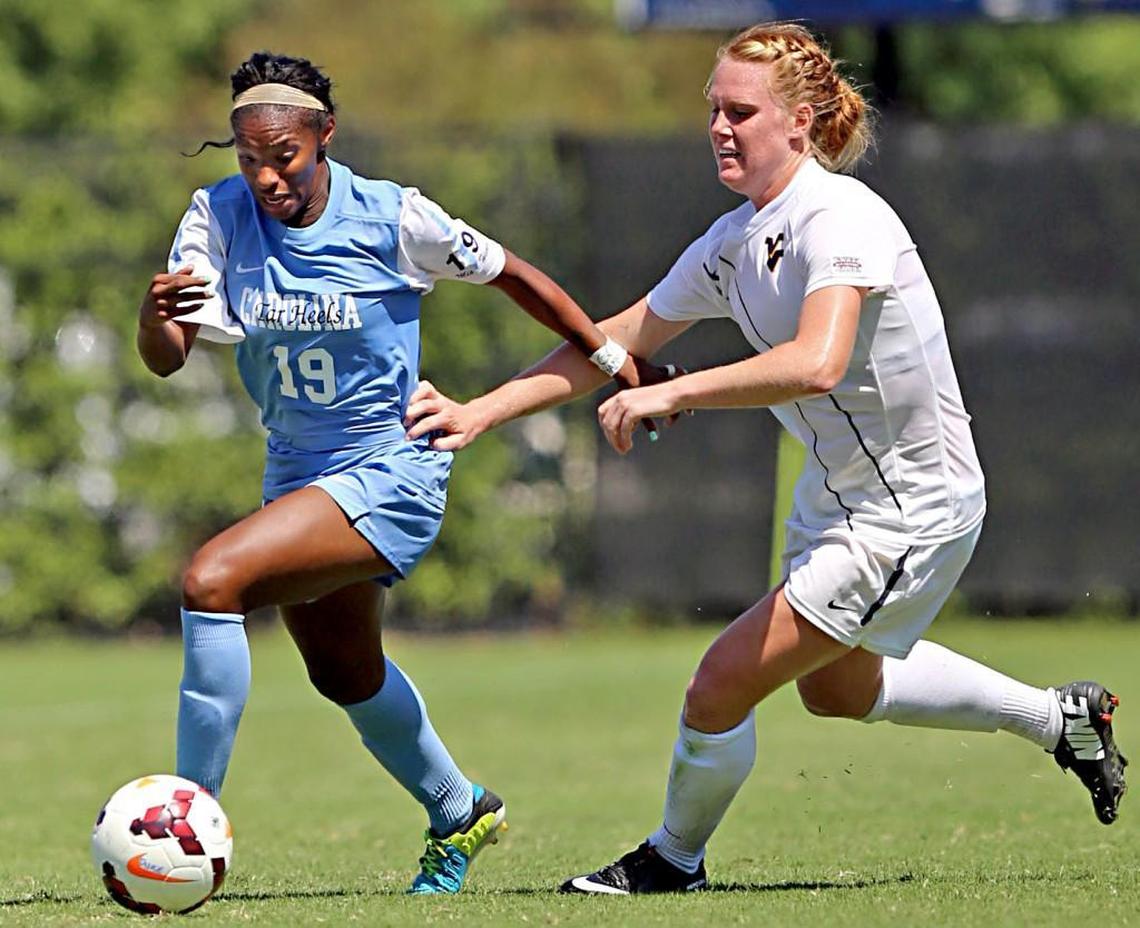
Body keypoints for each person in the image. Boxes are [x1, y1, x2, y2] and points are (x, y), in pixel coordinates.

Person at [404, 22, 1128, 894]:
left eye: (739, 111)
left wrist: (673, 392)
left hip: (910, 507)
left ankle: (672, 860)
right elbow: (607, 341)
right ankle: (1061, 719)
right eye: (713, 109)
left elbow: (818, 361)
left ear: (800, 123)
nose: (719, 126)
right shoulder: (733, 241)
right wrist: (480, 411)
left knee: (718, 686)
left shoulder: (842, 217)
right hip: (839, 498)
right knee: (835, 689)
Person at [136, 51, 662, 895]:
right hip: (297, 474)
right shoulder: (217, 215)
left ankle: (186, 823)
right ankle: (460, 808)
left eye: (285, 157)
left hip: (393, 468)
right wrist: (153, 315)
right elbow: (168, 357)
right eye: (248, 159)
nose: (266, 177)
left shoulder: (392, 216)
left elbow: (513, 275)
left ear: (325, 136)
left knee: (212, 579)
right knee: (342, 670)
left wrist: (607, 353)